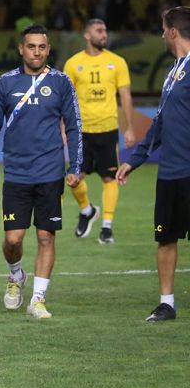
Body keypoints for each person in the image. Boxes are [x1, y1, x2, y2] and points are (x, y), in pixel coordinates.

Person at [0, 25, 82, 320]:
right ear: (21, 49)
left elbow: (75, 125)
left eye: (42, 47)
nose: (36, 52)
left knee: (45, 237)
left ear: (48, 50)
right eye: (31, 46)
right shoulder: (5, 83)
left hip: (50, 172)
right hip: (17, 174)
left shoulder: (61, 82)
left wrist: (75, 166)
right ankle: (16, 275)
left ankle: (38, 299)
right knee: (13, 240)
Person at [116, 6, 190, 322]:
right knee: (165, 237)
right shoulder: (174, 72)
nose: (161, 34)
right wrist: (134, 160)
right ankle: (167, 303)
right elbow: (158, 124)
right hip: (171, 171)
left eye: (163, 28)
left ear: (173, 31)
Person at [64, 18, 136, 244]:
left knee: (109, 178)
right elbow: (65, 100)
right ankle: (87, 211)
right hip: (81, 131)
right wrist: (62, 127)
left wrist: (129, 128)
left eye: (105, 30)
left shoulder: (117, 62)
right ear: (87, 35)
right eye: (99, 30)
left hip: (107, 129)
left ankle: (106, 227)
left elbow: (125, 96)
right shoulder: (73, 64)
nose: (104, 34)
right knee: (74, 179)